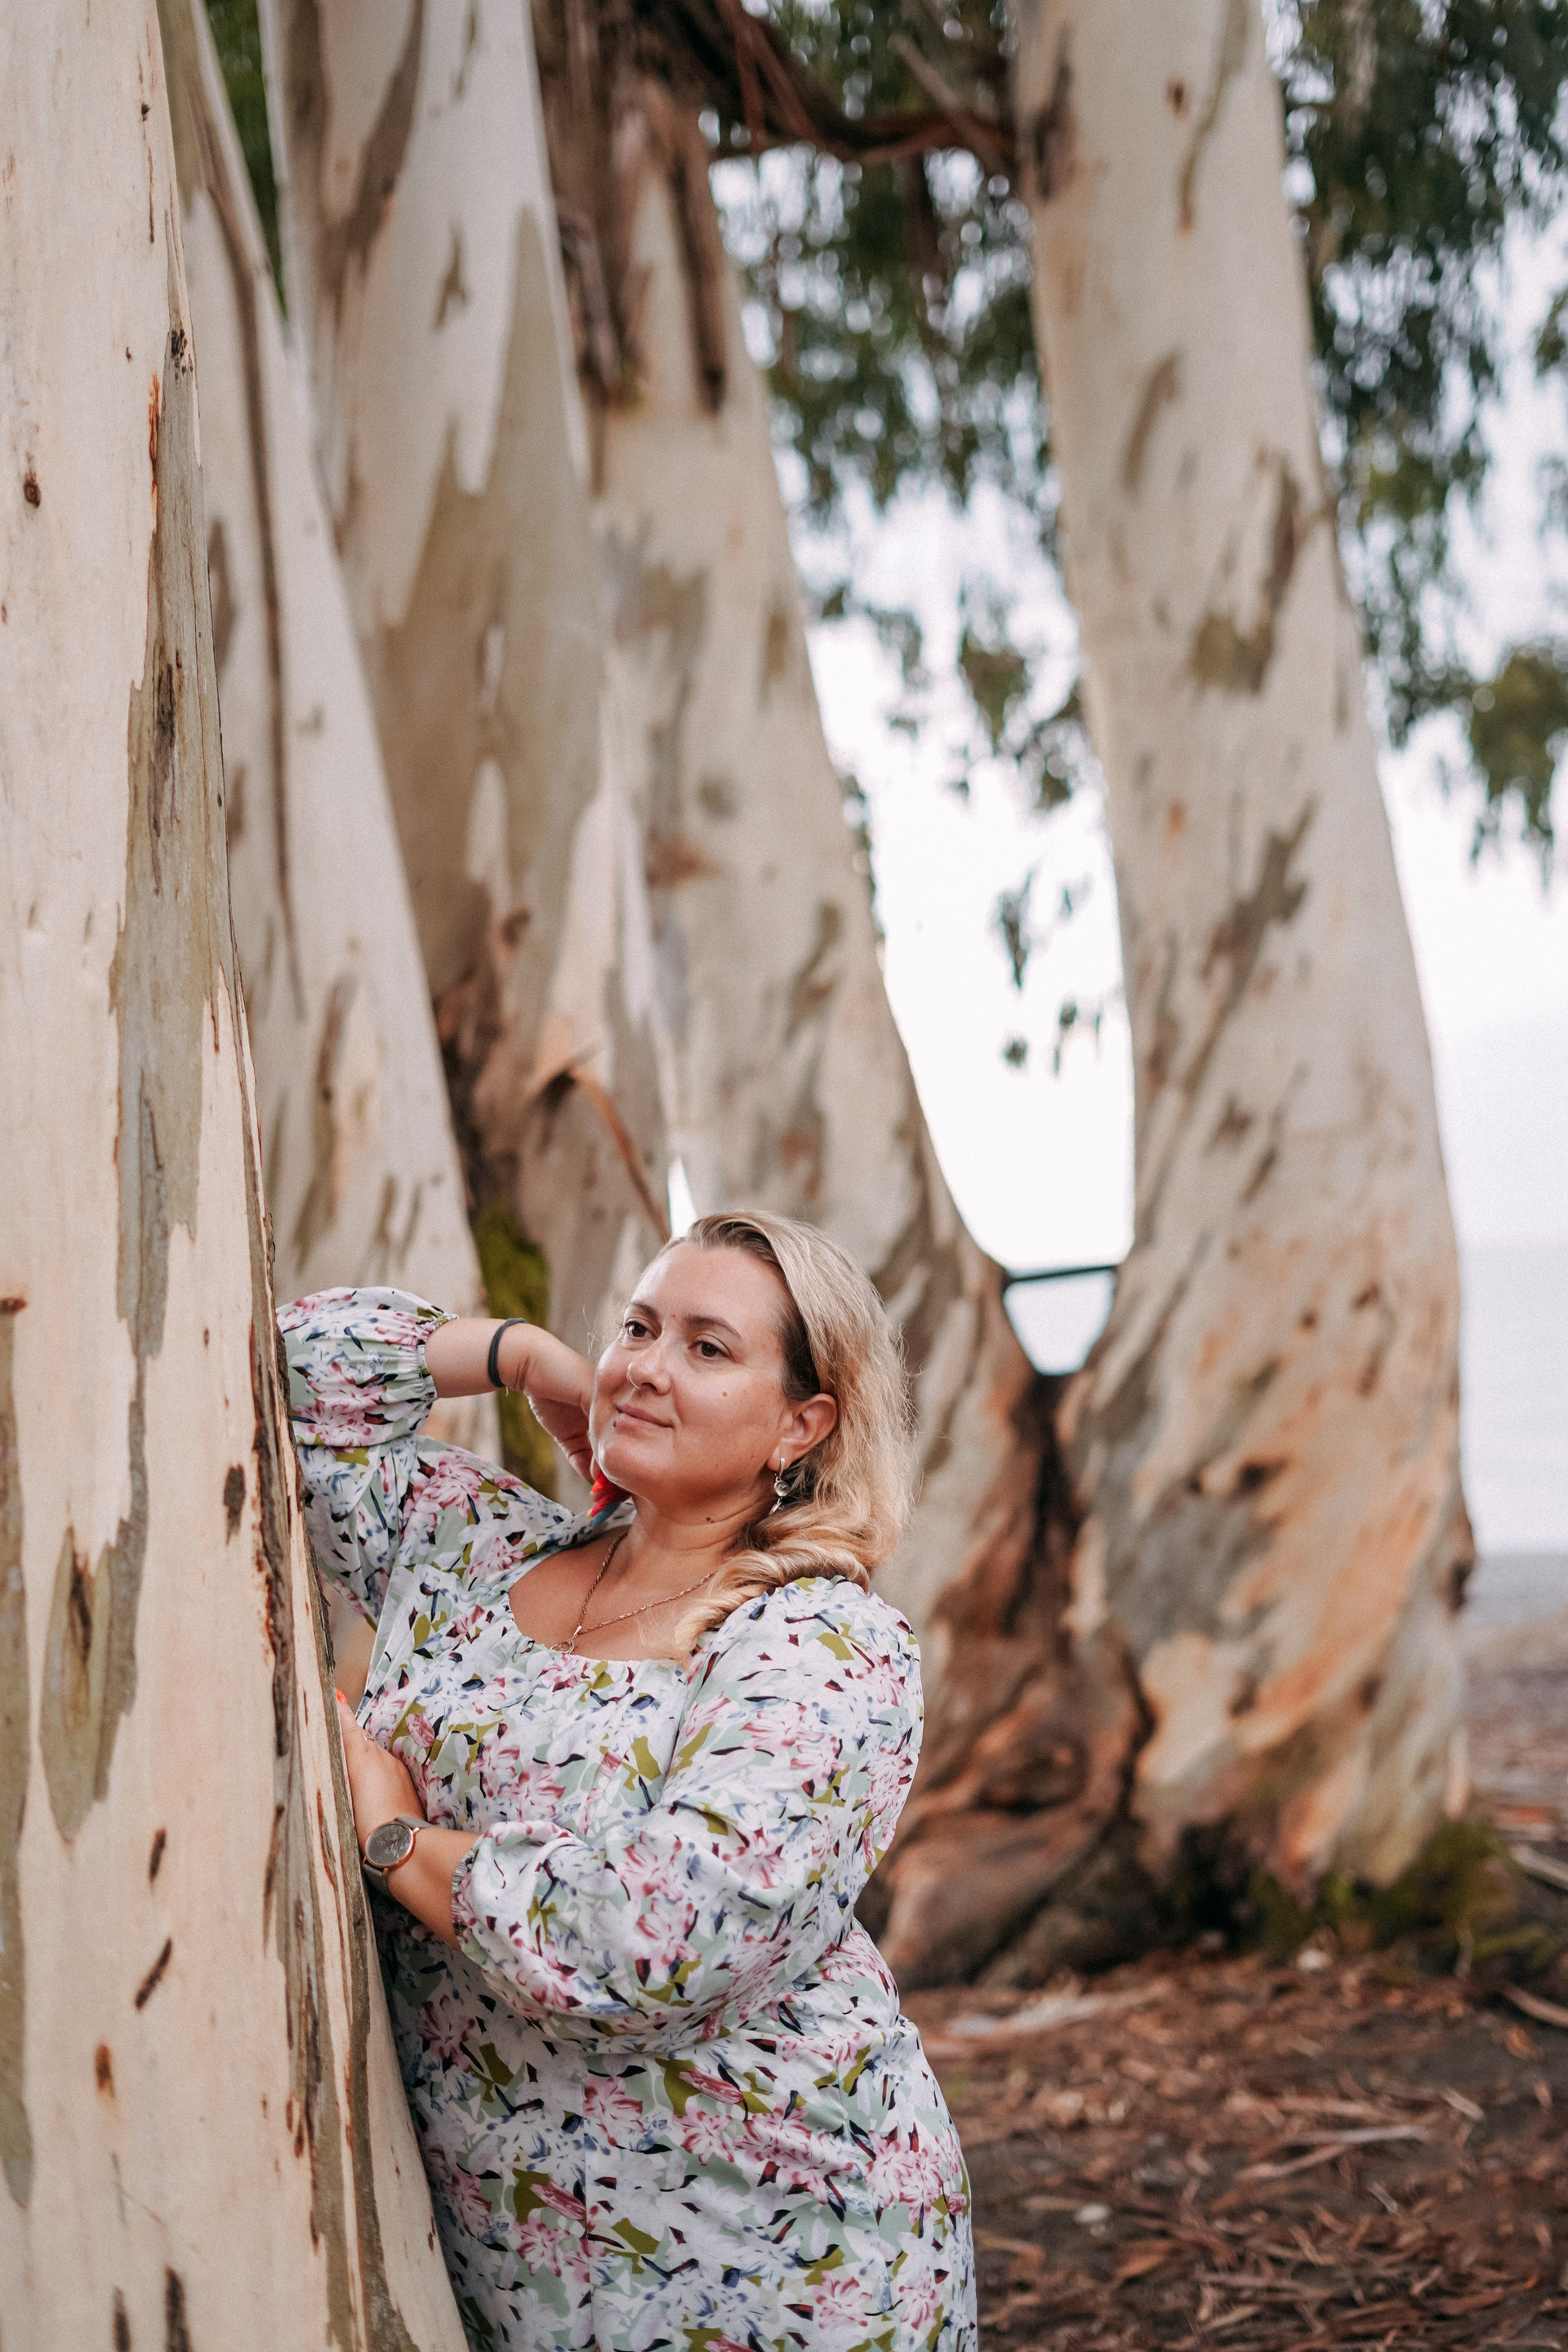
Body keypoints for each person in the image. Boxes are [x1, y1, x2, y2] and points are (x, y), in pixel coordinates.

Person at [283, 1209, 975, 2352]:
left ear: (801, 1424)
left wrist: (398, 1842)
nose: (649, 1366)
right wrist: (526, 1357)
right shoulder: (476, 1551)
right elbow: (280, 1379)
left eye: (708, 1348)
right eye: (638, 1328)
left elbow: (654, 1938)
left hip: (776, 2247)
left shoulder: (821, 1646)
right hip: (526, 2251)